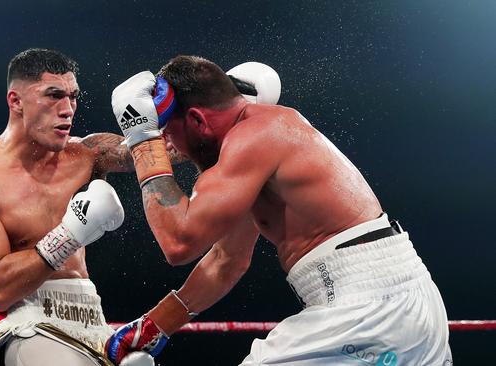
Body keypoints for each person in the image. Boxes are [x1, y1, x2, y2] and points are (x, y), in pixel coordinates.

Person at [105, 56, 453, 365]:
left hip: (368, 305)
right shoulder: (258, 144)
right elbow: (227, 260)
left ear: (197, 120)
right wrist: (156, 325)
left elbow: (179, 242)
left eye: (169, 132)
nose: (168, 145)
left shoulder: (255, 135)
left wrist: (143, 138)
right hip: (398, 301)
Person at [0, 48, 137, 366]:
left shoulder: (87, 154)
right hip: (27, 323)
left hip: (93, 321)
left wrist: (218, 103)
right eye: (54, 96)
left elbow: (169, 150)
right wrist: (70, 234)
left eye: (73, 97)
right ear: (15, 101)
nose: (68, 109)